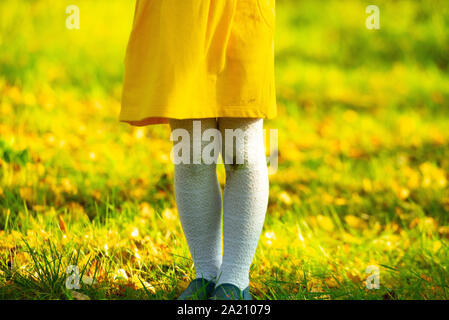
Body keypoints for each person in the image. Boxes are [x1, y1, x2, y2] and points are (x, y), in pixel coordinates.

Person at [120, 0, 277, 300]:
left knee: (241, 150)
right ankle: (205, 274)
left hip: (242, 11)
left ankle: (234, 280)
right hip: (177, 13)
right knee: (192, 153)